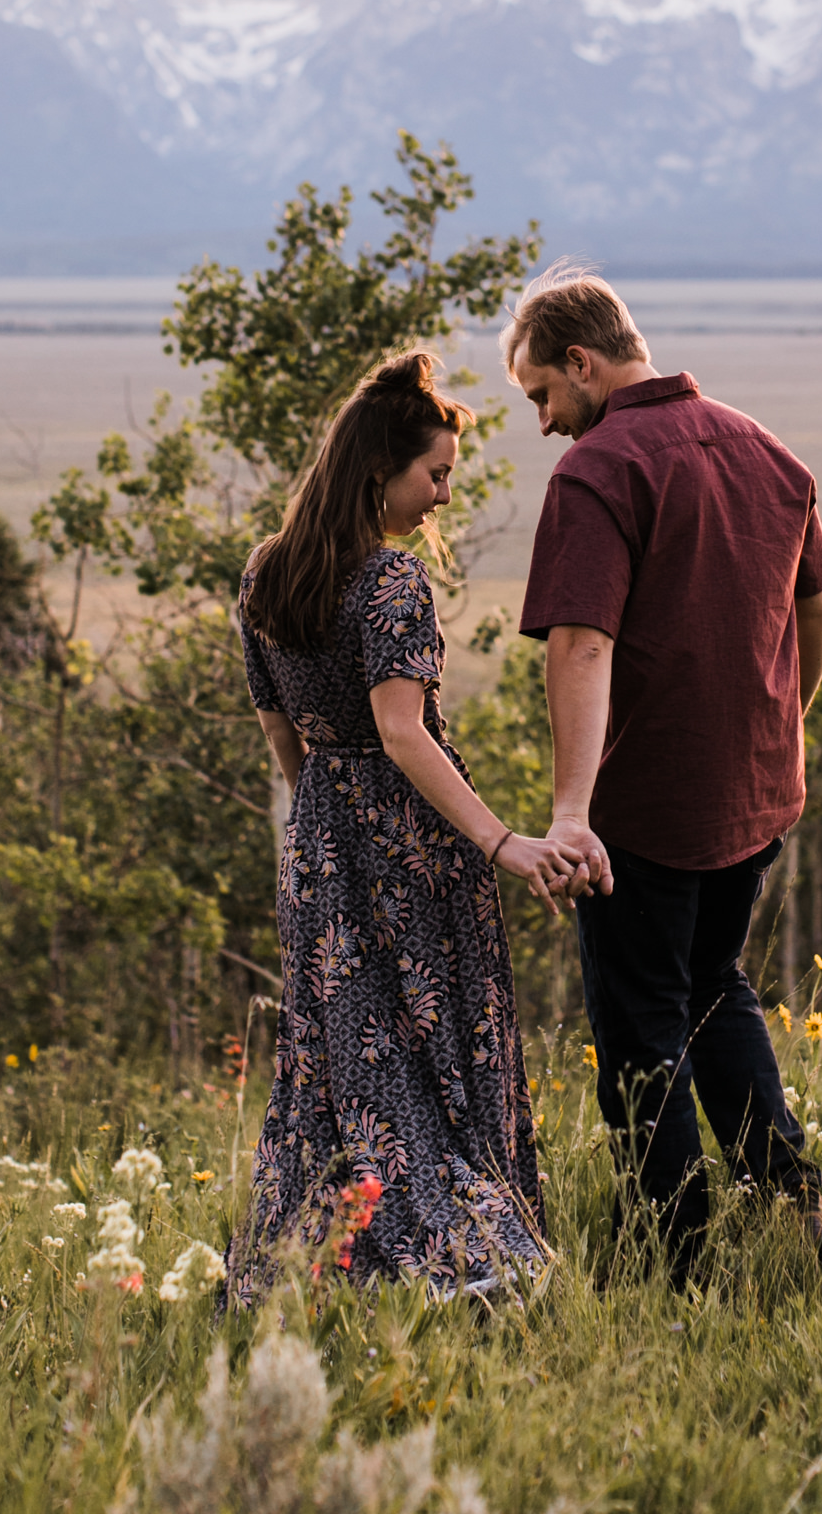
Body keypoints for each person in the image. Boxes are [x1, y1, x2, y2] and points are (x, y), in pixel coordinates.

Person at [504, 269, 822, 1283]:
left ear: (582, 362)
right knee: (713, 987)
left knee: (641, 1018)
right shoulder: (767, 451)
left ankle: (675, 1254)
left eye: (540, 396)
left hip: (642, 809)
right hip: (753, 792)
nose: (543, 422)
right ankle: (791, 1211)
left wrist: (571, 814)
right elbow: (818, 614)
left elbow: (581, 646)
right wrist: (778, 729)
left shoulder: (600, 470)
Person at [229, 349, 569, 1299]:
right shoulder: (389, 583)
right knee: (433, 1054)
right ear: (382, 471)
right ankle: (466, 1259)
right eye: (437, 476)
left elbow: (283, 735)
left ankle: (321, 1260)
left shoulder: (264, 574)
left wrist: (322, 827)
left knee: (335, 1062)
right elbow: (402, 733)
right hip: (410, 853)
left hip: (321, 850)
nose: (442, 498)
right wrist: (500, 841)